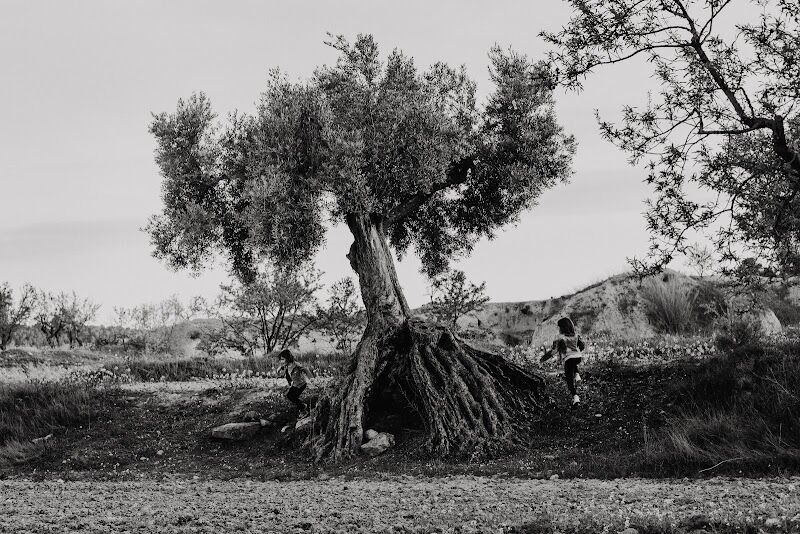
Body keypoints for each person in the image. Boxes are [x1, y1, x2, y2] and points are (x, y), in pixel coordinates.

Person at [540, 317, 586, 407]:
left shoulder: (559, 337)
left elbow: (554, 351)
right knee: (574, 363)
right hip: (578, 357)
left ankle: (575, 397)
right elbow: (582, 346)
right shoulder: (576, 335)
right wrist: (576, 351)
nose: (558, 329)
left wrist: (543, 359)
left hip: (569, 359)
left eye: (559, 327)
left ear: (562, 327)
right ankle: (577, 375)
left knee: (569, 380)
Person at [278, 349, 312, 416]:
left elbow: (306, 370)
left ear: (288, 358)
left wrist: (312, 379)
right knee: (290, 396)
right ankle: (301, 407)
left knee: (291, 396)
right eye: (280, 360)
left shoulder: (296, 365)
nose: (281, 361)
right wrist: (279, 368)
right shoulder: (286, 365)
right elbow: (283, 368)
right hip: (295, 384)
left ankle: (303, 409)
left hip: (301, 384)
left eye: (282, 359)